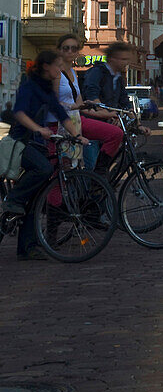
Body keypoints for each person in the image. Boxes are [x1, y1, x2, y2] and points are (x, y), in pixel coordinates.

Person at [2, 49, 90, 260]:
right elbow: (20, 113)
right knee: (44, 168)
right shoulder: (29, 87)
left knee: (35, 200)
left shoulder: (48, 91)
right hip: (20, 142)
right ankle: (12, 199)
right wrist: (38, 129)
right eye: (57, 66)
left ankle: (27, 248)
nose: (60, 70)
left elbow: (62, 115)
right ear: (45, 66)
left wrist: (77, 136)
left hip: (36, 144)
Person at [55, 34, 123, 174]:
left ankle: (99, 174)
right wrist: (72, 107)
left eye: (73, 49)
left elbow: (81, 106)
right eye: (66, 48)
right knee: (63, 169)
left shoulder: (73, 73)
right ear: (59, 50)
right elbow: (52, 103)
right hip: (60, 124)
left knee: (115, 133)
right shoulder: (55, 72)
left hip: (77, 120)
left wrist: (109, 114)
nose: (69, 52)